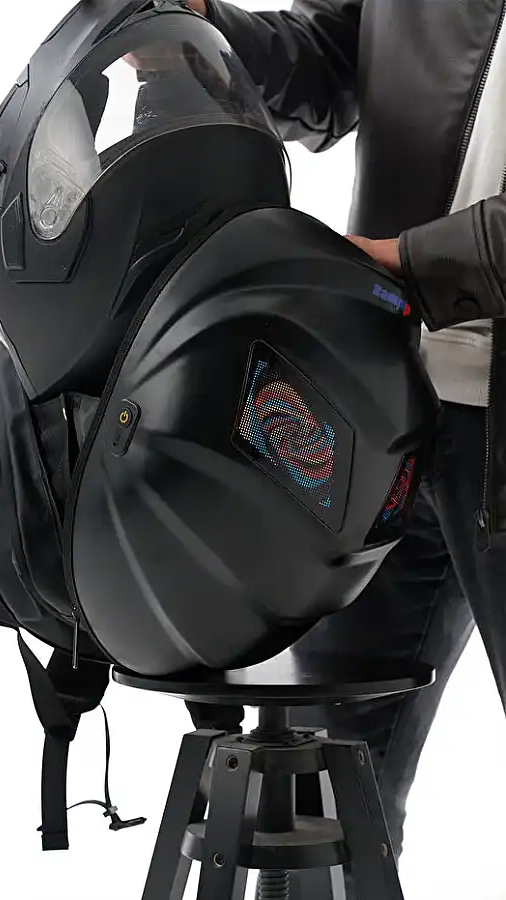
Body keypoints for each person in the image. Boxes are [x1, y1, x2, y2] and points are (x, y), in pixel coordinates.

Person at [182, 0, 506, 894]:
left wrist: (403, 265)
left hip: (431, 364)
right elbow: (327, 61)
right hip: (388, 397)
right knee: (321, 795)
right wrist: (203, 33)